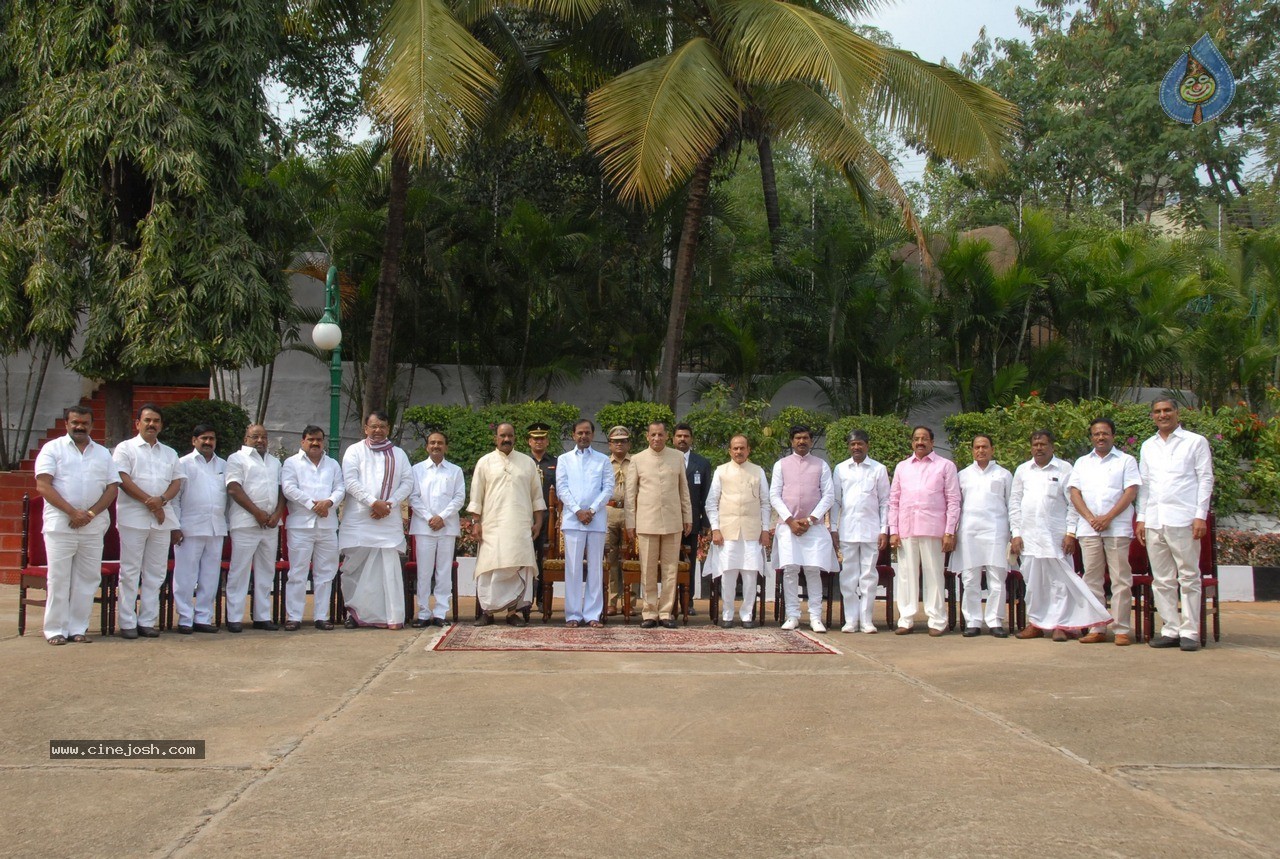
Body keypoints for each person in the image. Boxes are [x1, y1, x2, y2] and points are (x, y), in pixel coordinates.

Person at [1010, 430, 1110, 641]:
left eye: (1043, 444)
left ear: (1052, 446)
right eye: (1035, 444)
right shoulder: (1022, 470)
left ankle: (1061, 625)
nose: (1039, 447)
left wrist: (1070, 533)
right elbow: (1015, 503)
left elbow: (1073, 504)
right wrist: (1016, 533)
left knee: (1060, 583)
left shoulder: (1065, 469)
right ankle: (1036, 623)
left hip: (1056, 536)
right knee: (1034, 583)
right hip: (1029, 537)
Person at [34, 406, 119, 644]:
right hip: (61, 525)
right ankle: (54, 630)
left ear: (92, 425)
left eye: (84, 423)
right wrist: (72, 512)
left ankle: (77, 628)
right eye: (75, 423)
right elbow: (43, 486)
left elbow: (113, 487)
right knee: (59, 578)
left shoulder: (102, 453)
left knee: (88, 578)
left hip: (92, 526)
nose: (80, 427)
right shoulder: (52, 449)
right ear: (66, 424)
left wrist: (89, 513)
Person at [1137, 399, 1214, 651]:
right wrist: (1141, 518)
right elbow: (1145, 485)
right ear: (1152, 416)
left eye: (1167, 410)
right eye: (1157, 411)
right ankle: (1170, 629)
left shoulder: (1195, 441)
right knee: (1162, 580)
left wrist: (1200, 515)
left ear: (1177, 413)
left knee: (1189, 576)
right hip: (1155, 520)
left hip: (1184, 519)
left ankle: (1190, 631)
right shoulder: (1148, 446)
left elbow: (1205, 478)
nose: (1163, 415)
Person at [1068, 418, 1142, 646]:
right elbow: (1074, 493)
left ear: (1113, 435)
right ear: (1091, 437)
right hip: (1088, 529)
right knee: (1092, 578)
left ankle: (1121, 629)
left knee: (1120, 578)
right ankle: (1097, 627)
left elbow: (1131, 491)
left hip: (1117, 527)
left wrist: (1108, 517)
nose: (1100, 437)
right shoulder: (1082, 462)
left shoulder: (1126, 461)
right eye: (1096, 434)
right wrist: (1091, 518)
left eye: (1105, 433)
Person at [113, 403, 184, 639]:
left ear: (161, 425)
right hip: (133, 518)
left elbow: (176, 482)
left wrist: (161, 500)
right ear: (137, 423)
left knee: (156, 572)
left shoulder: (170, 453)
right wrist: (150, 502)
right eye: (147, 420)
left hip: (162, 519)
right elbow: (122, 479)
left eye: (156, 421)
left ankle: (147, 621)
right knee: (130, 571)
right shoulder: (126, 449)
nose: (151, 424)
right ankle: (127, 622)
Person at [339, 411, 414, 629]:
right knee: (355, 568)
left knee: (387, 568)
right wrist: (373, 503)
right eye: (373, 426)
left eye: (382, 426)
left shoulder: (399, 454)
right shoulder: (354, 451)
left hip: (387, 520)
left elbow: (408, 482)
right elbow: (350, 481)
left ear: (388, 428)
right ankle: (354, 613)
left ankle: (390, 615)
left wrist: (388, 504)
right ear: (365, 428)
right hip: (359, 520)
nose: (378, 430)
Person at [469, 422, 546, 626]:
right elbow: (476, 496)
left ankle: (513, 613)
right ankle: (488, 612)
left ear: (515, 437)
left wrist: (538, 522)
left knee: (517, 566)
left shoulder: (527, 463)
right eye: (502, 436)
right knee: (490, 568)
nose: (506, 439)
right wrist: (476, 522)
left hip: (520, 526)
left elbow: (537, 497)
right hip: (491, 526)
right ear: (496, 438)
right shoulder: (484, 462)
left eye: (510, 435)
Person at [887, 425, 960, 636]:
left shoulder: (945, 466)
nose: (920, 442)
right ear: (912, 442)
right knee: (905, 575)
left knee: (933, 575)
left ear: (932, 441)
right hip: (906, 528)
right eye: (916, 438)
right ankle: (906, 618)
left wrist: (949, 531)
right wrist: (894, 529)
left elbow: (953, 500)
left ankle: (937, 621)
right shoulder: (902, 467)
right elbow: (894, 500)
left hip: (933, 528)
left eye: (924, 438)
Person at [625, 421, 692, 629]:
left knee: (671, 569)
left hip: (673, 521)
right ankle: (650, 612)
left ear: (667, 436)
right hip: (646, 521)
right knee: (648, 569)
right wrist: (630, 522)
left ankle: (666, 612)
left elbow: (684, 490)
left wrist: (687, 516)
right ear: (647, 436)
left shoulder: (677, 457)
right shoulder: (637, 459)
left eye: (660, 434)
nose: (656, 438)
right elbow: (630, 494)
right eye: (653, 435)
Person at [770, 425, 837, 633]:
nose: (802, 441)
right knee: (790, 570)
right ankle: (792, 615)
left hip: (814, 527)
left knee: (812, 570)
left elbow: (829, 496)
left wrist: (810, 519)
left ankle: (816, 616)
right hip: (788, 527)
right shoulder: (781, 465)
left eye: (806, 438)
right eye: (798, 438)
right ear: (792, 441)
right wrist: (790, 521)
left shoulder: (821, 465)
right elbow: (774, 495)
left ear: (811, 441)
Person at [281, 426, 345, 631]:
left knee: (325, 573)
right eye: (311, 440)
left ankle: (321, 616)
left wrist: (328, 503)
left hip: (327, 526)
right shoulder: (291, 463)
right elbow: (289, 488)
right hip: (301, 526)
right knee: (297, 572)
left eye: (318, 439)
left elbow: (341, 488)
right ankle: (294, 616)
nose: (315, 443)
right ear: (303, 442)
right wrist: (312, 505)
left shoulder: (332, 464)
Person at [705, 435, 771, 628]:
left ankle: (747, 614)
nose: (739, 452)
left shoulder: (758, 471)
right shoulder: (721, 471)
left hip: (752, 532)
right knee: (728, 574)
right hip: (727, 532)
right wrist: (715, 529)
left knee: (750, 574)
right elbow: (711, 503)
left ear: (748, 450)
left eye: (742, 448)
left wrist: (765, 529)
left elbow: (765, 503)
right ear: (730, 451)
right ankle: (727, 613)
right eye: (735, 448)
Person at [952, 434, 1013, 638]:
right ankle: (973, 621)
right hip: (969, 532)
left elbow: (1011, 505)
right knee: (970, 578)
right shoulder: (963, 475)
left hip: (996, 531)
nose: (981, 451)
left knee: (997, 578)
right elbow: (956, 505)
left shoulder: (1004, 475)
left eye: (985, 447)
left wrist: (1013, 532)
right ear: (972, 450)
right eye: (977, 447)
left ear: (992, 450)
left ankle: (995, 621)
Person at [555, 419, 614, 627]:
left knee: (595, 568)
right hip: (573, 520)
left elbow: (608, 489)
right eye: (580, 433)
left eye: (587, 432)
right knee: (573, 568)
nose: (583, 436)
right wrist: (578, 511)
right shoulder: (564, 459)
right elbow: (562, 489)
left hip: (596, 520)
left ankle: (592, 615)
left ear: (593, 434)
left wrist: (591, 510)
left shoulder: (603, 460)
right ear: (573, 435)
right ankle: (573, 614)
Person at [226, 424, 284, 632]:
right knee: (239, 570)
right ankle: (234, 617)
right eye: (255, 436)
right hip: (245, 523)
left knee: (266, 571)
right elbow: (234, 488)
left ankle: (261, 616)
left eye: (264, 437)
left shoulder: (275, 462)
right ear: (246, 438)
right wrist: (256, 512)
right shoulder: (237, 459)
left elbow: (281, 491)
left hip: (270, 525)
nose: (260, 440)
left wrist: (276, 515)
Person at [831, 429, 890, 634]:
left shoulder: (878, 469)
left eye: (860, 444)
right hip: (847, 530)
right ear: (849, 446)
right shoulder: (840, 469)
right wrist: (834, 528)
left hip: (870, 531)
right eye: (853, 444)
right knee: (848, 577)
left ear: (867, 445)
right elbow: (837, 501)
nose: (856, 447)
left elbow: (884, 502)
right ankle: (851, 620)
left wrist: (884, 530)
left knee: (868, 576)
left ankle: (866, 620)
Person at [172, 425, 227, 634]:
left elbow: (227, 498)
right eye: (204, 438)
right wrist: (175, 526)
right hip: (189, 528)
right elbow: (175, 497)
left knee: (210, 576)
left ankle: (204, 617)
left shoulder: (222, 464)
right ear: (194, 440)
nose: (208, 442)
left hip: (216, 528)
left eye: (211, 438)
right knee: (185, 576)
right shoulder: (183, 464)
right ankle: (185, 618)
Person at [408, 430, 465, 628]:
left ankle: (440, 612)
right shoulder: (417, 469)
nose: (436, 446)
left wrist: (442, 517)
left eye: (440, 443)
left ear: (446, 447)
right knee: (423, 572)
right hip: (424, 528)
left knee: (443, 572)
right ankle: (423, 613)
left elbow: (459, 498)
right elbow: (413, 497)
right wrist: (429, 517)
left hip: (447, 527)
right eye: (432, 442)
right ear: (427, 446)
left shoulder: (455, 471)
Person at [673, 423, 712, 613]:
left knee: (689, 562)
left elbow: (706, 495)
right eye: (679, 436)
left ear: (691, 439)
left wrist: (705, 523)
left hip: (693, 522)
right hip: (669, 521)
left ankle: (687, 603)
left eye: (686, 436)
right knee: (670, 562)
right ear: (673, 439)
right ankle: (670, 602)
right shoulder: (667, 459)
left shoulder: (702, 463)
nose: (682, 439)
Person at [527, 421, 558, 616]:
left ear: (547, 441)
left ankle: (541, 600)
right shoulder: (523, 462)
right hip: (526, 518)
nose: (539, 442)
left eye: (542, 438)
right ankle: (525, 599)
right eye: (535, 439)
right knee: (526, 559)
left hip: (548, 519)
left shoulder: (555, 463)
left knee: (544, 559)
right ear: (529, 441)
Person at [604, 426, 632, 615]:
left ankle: (631, 602)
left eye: (623, 441)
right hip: (609, 511)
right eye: (616, 441)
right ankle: (612, 600)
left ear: (629, 443)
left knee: (632, 557)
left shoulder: (636, 462)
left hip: (631, 511)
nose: (619, 444)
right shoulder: (604, 463)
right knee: (610, 557)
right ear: (610, 444)